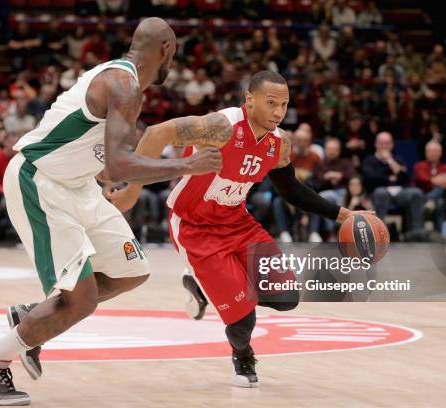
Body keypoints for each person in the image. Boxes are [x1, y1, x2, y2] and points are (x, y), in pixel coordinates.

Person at [0, 18, 221, 406]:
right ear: (166, 49)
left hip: (77, 186)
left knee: (131, 270)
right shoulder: (124, 85)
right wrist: (186, 166)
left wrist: (105, 170)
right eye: (175, 55)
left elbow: (100, 157)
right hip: (40, 181)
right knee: (80, 300)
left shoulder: (124, 84)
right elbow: (118, 164)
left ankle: (36, 315)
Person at [109, 70, 367, 388]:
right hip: (195, 227)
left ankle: (205, 288)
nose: (278, 112)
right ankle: (243, 355)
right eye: (271, 103)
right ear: (249, 99)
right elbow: (156, 134)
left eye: (284, 105)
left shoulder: (278, 143)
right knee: (244, 318)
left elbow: (291, 190)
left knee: (287, 297)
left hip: (238, 224)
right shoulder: (221, 127)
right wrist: (131, 192)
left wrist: (344, 215)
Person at [362, 131, 425, 233]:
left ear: (392, 145)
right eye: (381, 143)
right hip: (379, 192)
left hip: (399, 192)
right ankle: (378, 232)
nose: (384, 146)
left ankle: (415, 231)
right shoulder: (369, 160)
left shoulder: (397, 159)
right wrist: (389, 178)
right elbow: (370, 179)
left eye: (387, 143)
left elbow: (405, 178)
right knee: (380, 193)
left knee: (416, 193)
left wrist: (390, 160)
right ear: (376, 144)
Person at [309, 137, 354, 242]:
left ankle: (329, 232)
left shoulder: (345, 163)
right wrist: (328, 178)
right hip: (325, 195)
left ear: (339, 151)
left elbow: (352, 177)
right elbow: (316, 182)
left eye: (335, 149)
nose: (332, 152)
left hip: (343, 195)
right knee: (324, 197)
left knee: (325, 198)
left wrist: (340, 176)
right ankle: (334, 229)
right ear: (325, 149)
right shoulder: (320, 164)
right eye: (329, 149)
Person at [413, 141, 446, 231]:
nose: (432, 154)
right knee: (440, 199)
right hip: (421, 198)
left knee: (440, 200)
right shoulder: (419, 166)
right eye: (430, 151)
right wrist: (440, 180)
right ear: (425, 153)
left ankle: (431, 200)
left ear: (440, 153)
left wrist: (439, 181)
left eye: (435, 151)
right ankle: (440, 232)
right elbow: (423, 179)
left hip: (439, 200)